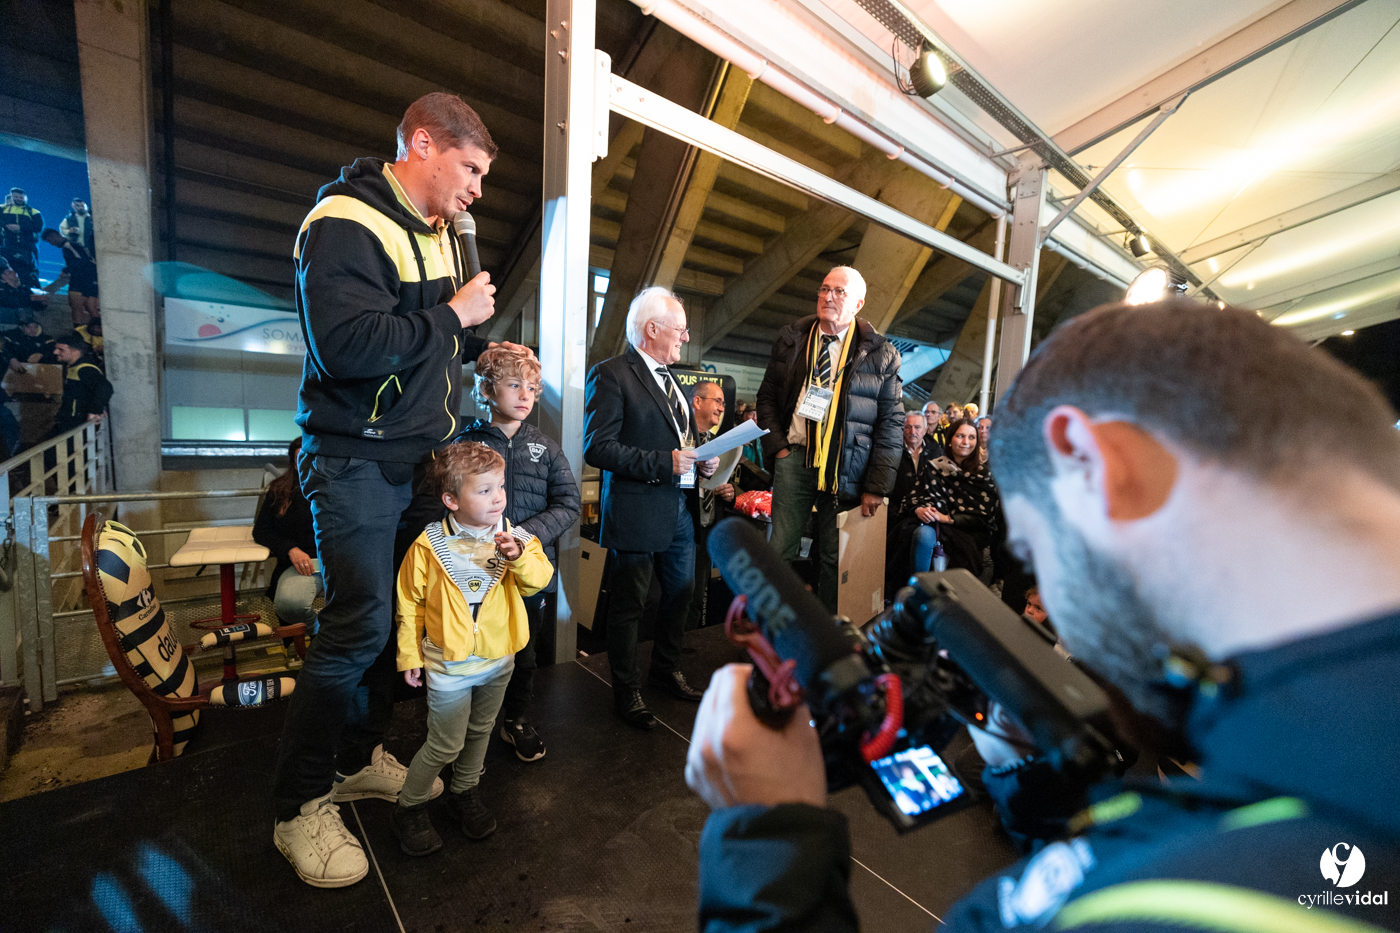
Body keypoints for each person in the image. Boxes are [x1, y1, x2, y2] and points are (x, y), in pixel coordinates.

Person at [688, 298, 1400, 931]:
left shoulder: (1179, 898)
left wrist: (767, 836)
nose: (1048, 600)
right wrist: (1060, 802)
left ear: (1093, 462)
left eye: (1032, 549)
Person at [272, 91, 505, 889]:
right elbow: (344, 346)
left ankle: (350, 757)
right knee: (355, 623)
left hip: (419, 458)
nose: (477, 189)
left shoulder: (442, 234)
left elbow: (443, 341)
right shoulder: (345, 220)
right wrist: (450, 314)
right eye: (469, 169)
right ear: (422, 143)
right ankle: (297, 803)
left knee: (399, 612)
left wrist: (473, 330)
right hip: (354, 459)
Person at [391, 442, 553, 857]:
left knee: (481, 730)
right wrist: (409, 654)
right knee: (444, 743)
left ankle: (465, 790)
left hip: (499, 659)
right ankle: (408, 807)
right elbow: (409, 602)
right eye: (483, 491)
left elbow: (540, 580)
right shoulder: (427, 545)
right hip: (448, 664)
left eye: (499, 487)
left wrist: (518, 558)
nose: (497, 497)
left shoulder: (515, 537)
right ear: (450, 500)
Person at [583, 286, 716, 730]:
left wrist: (700, 456)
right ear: (652, 329)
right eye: (679, 330)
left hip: (677, 506)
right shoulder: (611, 374)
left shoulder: (673, 378)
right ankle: (627, 688)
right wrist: (666, 462)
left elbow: (676, 441)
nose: (685, 337)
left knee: (681, 594)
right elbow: (597, 448)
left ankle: (664, 668)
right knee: (630, 606)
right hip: (638, 508)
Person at [455, 345, 580, 763]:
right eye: (514, 385)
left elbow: (568, 503)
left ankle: (517, 719)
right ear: (488, 390)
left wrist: (524, 537)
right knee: (470, 649)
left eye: (531, 388)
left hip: (527, 571)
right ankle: (466, 729)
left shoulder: (545, 448)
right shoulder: (464, 442)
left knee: (523, 652)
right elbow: (443, 502)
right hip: (472, 569)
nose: (525, 396)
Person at [755, 266, 903, 612]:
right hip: (793, 458)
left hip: (845, 465)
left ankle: (823, 638)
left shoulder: (880, 353)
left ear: (858, 304)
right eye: (824, 289)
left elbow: (891, 423)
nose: (829, 297)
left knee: (834, 559)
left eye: (839, 292)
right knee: (780, 551)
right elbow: (767, 397)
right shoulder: (792, 339)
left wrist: (877, 486)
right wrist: (777, 448)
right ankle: (773, 629)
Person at [904, 418, 999, 578]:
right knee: (923, 535)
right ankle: (919, 589)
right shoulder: (933, 467)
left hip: (970, 530)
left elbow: (985, 517)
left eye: (971, 437)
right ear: (950, 440)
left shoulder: (984, 475)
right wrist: (920, 510)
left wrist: (947, 518)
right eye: (960, 436)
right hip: (936, 527)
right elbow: (913, 498)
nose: (965, 442)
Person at [253, 438, 321, 630]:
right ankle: (318, 633)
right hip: (303, 564)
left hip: (339, 563)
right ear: (292, 462)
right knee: (290, 604)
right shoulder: (280, 490)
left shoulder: (342, 488)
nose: (307, 464)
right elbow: (261, 531)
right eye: (301, 459)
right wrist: (290, 549)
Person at [686, 379, 736, 631]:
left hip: (707, 529)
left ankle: (689, 652)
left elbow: (727, 484)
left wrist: (729, 492)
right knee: (675, 596)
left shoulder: (718, 445)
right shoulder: (681, 438)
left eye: (724, 404)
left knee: (697, 598)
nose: (721, 408)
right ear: (697, 401)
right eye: (717, 401)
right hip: (683, 528)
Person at [49, 332, 111, 436]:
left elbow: (105, 387)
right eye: (56, 348)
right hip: (70, 421)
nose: (55, 352)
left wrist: (95, 411)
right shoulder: (72, 367)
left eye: (61, 349)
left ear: (76, 352)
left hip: (77, 424)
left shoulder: (85, 369)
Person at [41, 229, 98, 325]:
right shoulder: (75, 244)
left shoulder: (68, 246)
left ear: (54, 236)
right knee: (91, 307)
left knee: (76, 306)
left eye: (50, 240)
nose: (51, 244)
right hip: (91, 278)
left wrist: (66, 271)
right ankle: (97, 331)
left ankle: (78, 330)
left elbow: (81, 261)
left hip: (81, 280)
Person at [1, 188, 42, 287]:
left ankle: (28, 295)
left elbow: (39, 226)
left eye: (21, 197)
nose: (18, 199)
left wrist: (21, 228)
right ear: (10, 197)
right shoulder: (2, 208)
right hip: (6, 247)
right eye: (15, 197)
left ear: (26, 198)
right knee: (4, 272)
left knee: (29, 273)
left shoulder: (33, 211)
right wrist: (7, 226)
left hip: (27, 248)